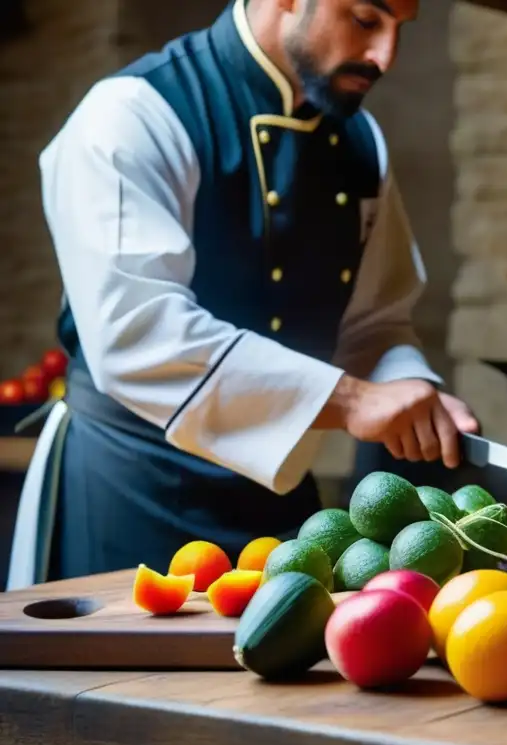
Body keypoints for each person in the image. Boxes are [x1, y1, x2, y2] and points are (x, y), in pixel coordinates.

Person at [6, 0, 478, 590]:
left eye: (400, 30)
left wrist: (414, 391)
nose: (386, 56)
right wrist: (357, 402)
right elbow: (137, 334)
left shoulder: (361, 143)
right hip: (131, 497)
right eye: (364, 19)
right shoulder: (130, 115)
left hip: (282, 513)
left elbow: (375, 324)